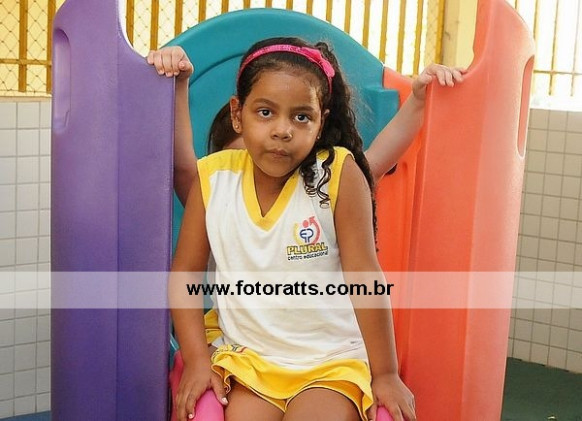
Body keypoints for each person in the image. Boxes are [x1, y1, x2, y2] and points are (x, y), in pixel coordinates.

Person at [149, 38, 464, 421]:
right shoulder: (215, 180)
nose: (282, 130)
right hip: (251, 358)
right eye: (265, 112)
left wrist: (385, 373)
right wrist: (198, 362)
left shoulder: (336, 175)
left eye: (301, 117)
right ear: (238, 115)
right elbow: (184, 273)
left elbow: (365, 276)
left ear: (320, 122)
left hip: (328, 362)